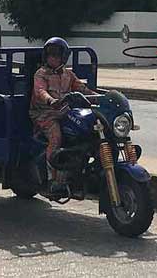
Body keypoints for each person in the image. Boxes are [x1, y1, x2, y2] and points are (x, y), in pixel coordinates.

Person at [29, 37, 96, 194]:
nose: (53, 58)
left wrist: (101, 97)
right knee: (56, 138)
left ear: (64, 57)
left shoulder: (68, 74)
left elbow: (83, 89)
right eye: (50, 54)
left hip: (65, 112)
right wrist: (50, 100)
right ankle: (53, 180)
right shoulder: (41, 74)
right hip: (44, 114)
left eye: (57, 55)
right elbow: (40, 91)